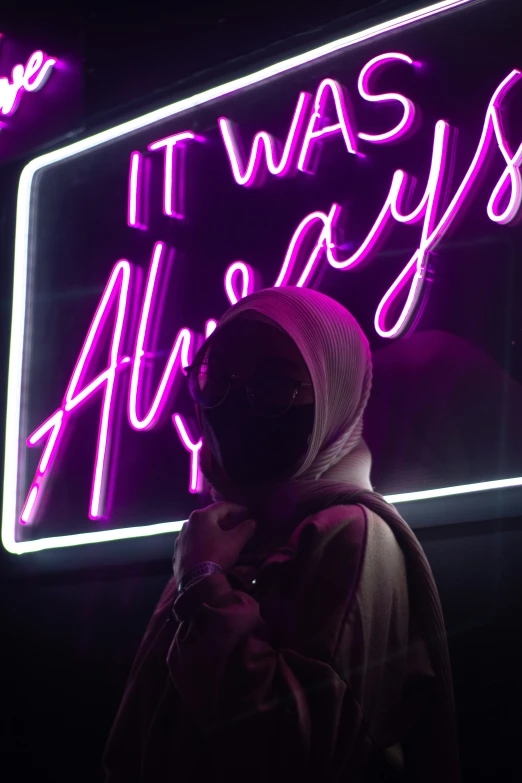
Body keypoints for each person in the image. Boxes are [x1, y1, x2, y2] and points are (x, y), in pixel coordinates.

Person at [103, 287, 460, 782]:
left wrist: (203, 585)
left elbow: (300, 751)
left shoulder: (349, 535)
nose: (233, 404)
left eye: (274, 384)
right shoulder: (225, 534)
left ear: (333, 393)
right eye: (216, 378)